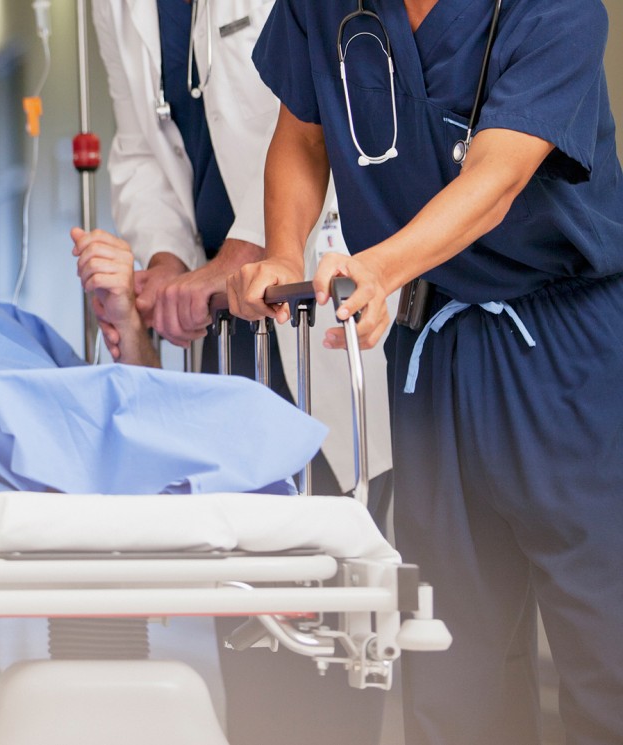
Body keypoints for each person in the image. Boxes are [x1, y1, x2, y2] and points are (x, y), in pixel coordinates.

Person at [229, 1, 623, 743]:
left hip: (567, 354)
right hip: (432, 350)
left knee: (607, 651)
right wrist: (282, 250)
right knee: (451, 659)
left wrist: (379, 268)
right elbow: (303, 134)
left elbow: (497, 177)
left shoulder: (555, 11)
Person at [74, 2, 388, 744]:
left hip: (306, 301)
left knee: (326, 625)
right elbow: (140, 143)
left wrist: (238, 258)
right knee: (244, 612)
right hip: (221, 335)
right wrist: (166, 264)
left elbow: (313, 120)